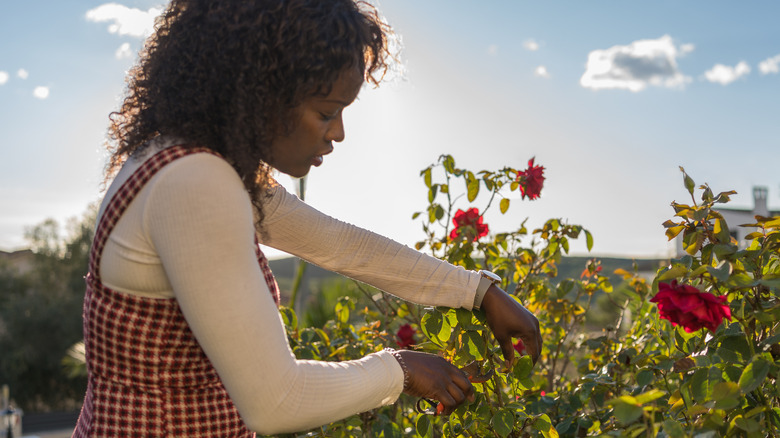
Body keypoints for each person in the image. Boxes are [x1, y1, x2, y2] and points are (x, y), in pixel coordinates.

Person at [72, 0, 542, 436]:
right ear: (260, 91)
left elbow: (339, 245)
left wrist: (478, 292)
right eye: (326, 111)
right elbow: (276, 401)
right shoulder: (195, 181)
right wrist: (401, 368)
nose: (338, 133)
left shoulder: (189, 160)